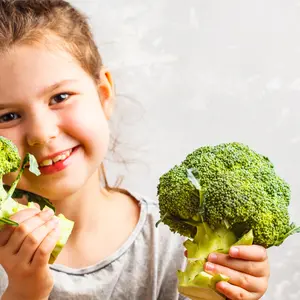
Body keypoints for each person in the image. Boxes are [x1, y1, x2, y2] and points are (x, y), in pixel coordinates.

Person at [0, 1, 270, 299]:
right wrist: (24, 292)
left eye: (60, 97)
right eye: (7, 116)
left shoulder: (176, 245)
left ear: (103, 94)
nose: (40, 133)